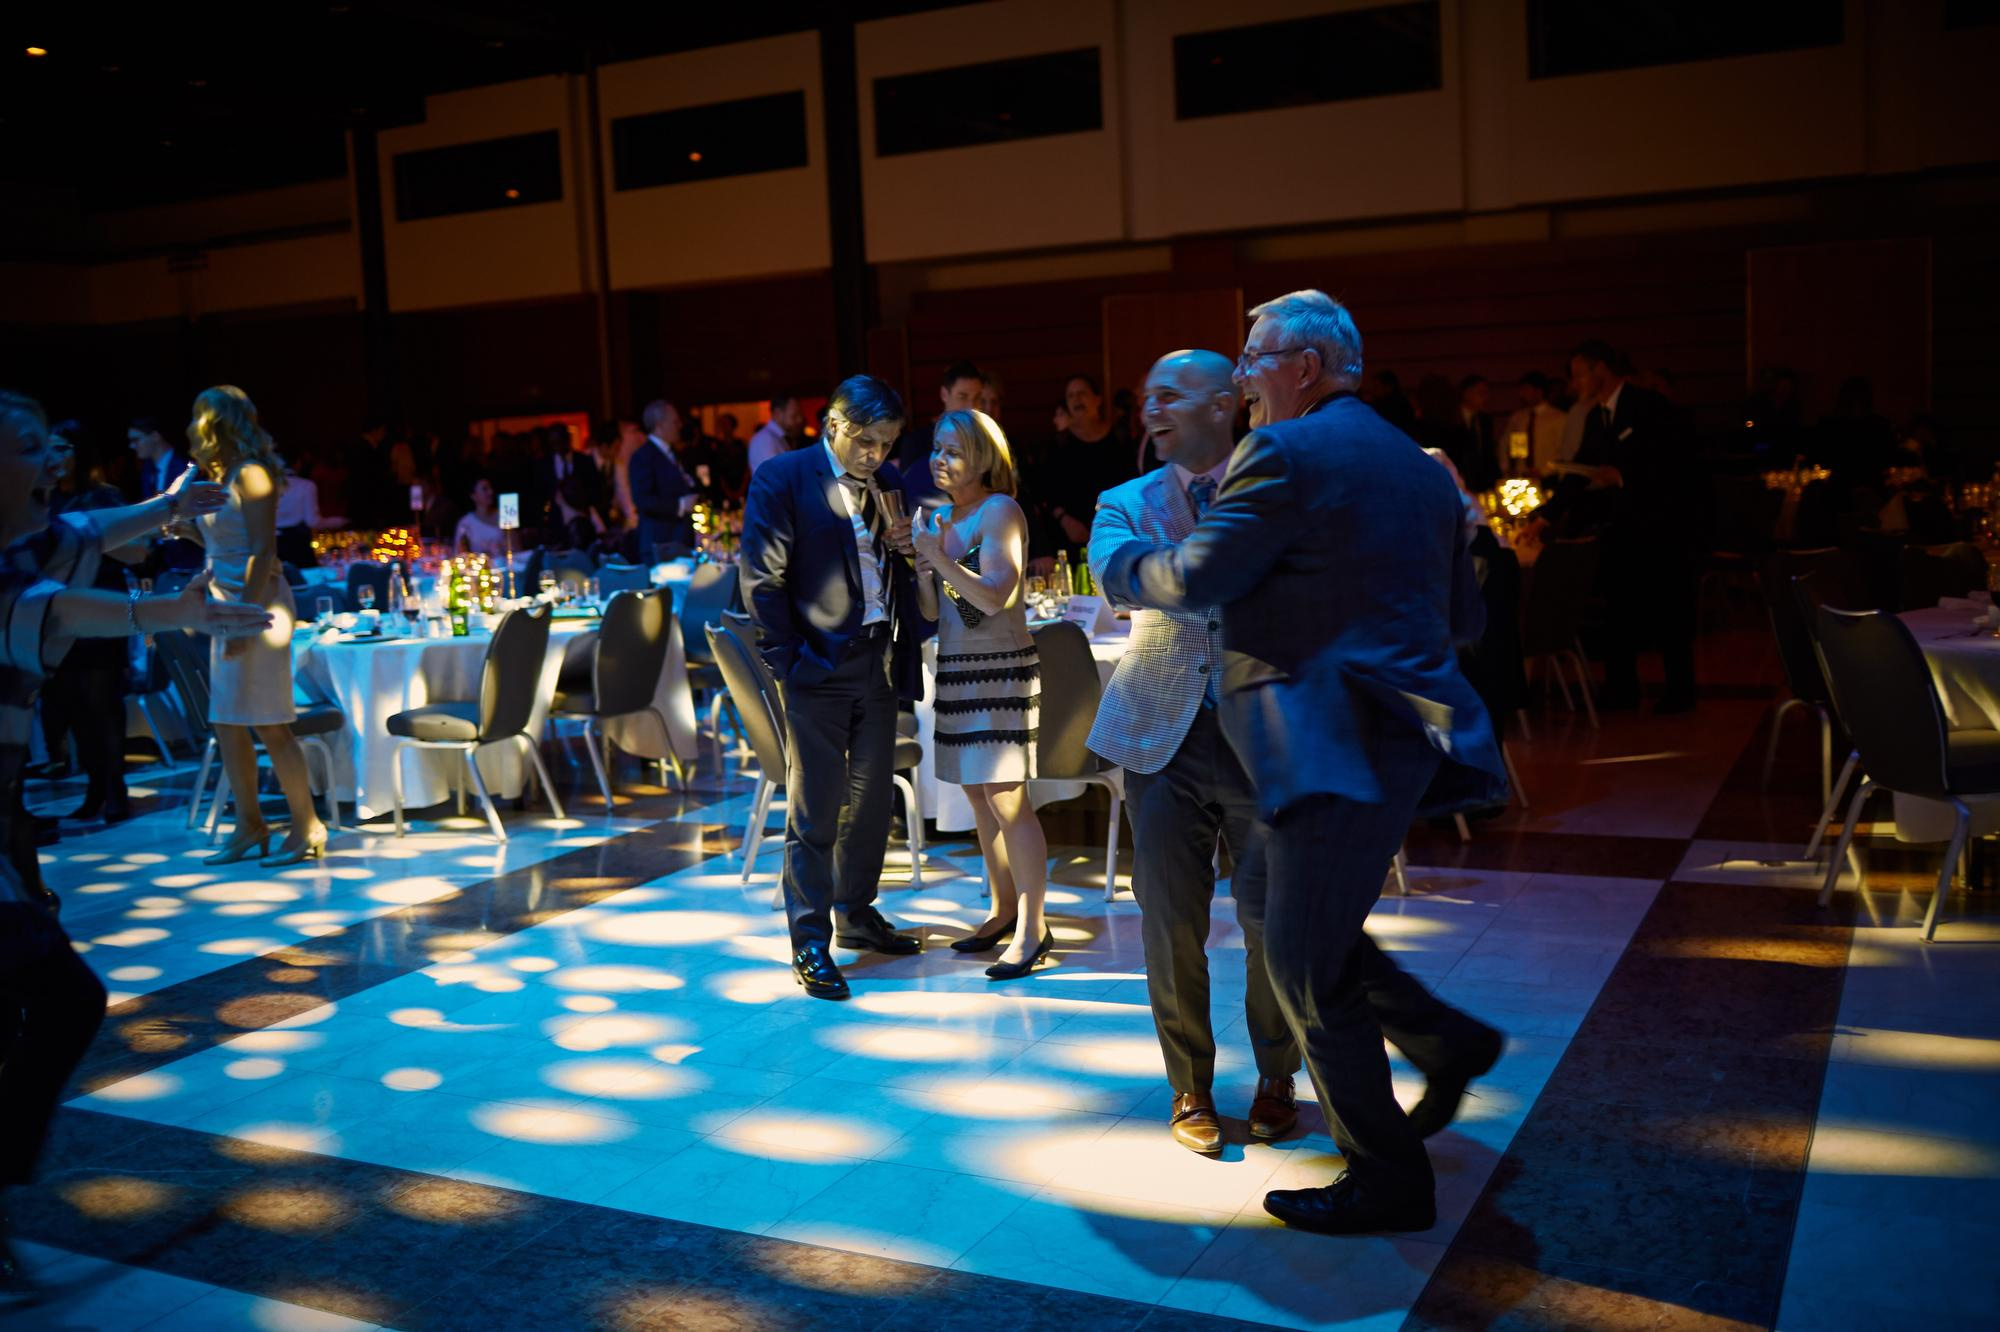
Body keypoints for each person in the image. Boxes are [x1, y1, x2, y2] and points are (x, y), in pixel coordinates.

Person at [1098, 292, 1507, 1236]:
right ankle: (1448, 1042)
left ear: (1304, 367)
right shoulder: (1418, 465)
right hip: (1400, 737)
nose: (1243, 378)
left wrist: (1121, 571)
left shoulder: (1285, 452)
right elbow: (1464, 618)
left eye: (1253, 359)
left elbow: (1197, 575)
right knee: (1307, 928)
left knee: (1302, 961)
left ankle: (1388, 1178)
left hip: (1323, 739)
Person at [0, 391, 269, 1296]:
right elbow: (60, 608)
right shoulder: (18, 574)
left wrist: (166, 513)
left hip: (4, 828)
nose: (51, 461)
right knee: (61, 998)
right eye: (30, 447)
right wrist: (166, 614)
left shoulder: (29, 541)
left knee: (54, 1001)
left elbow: (81, 538)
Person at [1089, 352, 1302, 1154]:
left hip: (1261, 735)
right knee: (1169, 923)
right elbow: (1121, 576)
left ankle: (1278, 1075)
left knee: (1271, 922)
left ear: (1226, 404)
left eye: (1171, 395)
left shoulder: (1277, 486)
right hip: (1157, 735)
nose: (1152, 407)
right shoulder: (1123, 501)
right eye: (1147, 396)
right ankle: (1190, 1089)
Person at [739, 375, 926, 1001]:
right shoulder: (784, 477)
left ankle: (856, 910)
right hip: (816, 665)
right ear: (834, 424)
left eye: (888, 445)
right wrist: (786, 661)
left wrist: (909, 551)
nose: (876, 455)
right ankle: (809, 939)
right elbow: (762, 578)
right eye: (867, 441)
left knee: (872, 801)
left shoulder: (891, 486)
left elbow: (899, 573)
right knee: (815, 808)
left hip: (878, 657)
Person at [909, 411, 1052, 981]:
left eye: (953, 450)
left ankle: (1033, 927)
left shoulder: (1001, 511)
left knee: (1008, 798)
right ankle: (1001, 909)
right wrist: (923, 568)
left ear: (985, 457)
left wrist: (939, 556)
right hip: (957, 665)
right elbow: (932, 611)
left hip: (1000, 667)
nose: (939, 459)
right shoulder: (942, 516)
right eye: (936, 448)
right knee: (978, 797)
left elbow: (995, 595)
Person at [181, 386, 329, 867]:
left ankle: (307, 826)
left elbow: (263, 552)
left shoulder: (254, 474)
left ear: (213, 424)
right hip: (226, 606)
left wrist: (243, 619)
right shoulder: (220, 477)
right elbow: (223, 541)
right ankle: (249, 824)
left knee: (270, 723)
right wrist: (179, 523)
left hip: (257, 607)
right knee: (227, 722)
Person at [1564, 339, 1697, 714]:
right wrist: (1545, 516)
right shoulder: (1597, 416)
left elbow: (1674, 464)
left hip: (1661, 527)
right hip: (1620, 529)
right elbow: (1580, 468)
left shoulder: (1649, 406)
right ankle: (1622, 690)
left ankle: (1679, 693)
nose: (1575, 384)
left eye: (1579, 374)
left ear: (1601, 370)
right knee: (1619, 612)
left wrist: (1623, 476)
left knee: (1668, 613)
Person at [41, 423, 143, 824]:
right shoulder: (43, 500)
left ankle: (116, 792)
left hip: (102, 609)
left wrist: (89, 542)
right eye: (49, 449)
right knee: (72, 706)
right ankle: (94, 789)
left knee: (102, 703)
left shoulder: (104, 496)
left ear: (80, 453)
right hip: (60, 614)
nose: (55, 457)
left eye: (63, 448)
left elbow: (138, 553)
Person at [896, 360, 984, 510]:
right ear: (944, 394)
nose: (971, 406)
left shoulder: (984, 442)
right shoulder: (917, 442)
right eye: (962, 397)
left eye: (977, 398)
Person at [128, 416, 202, 572]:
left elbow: (191, 519)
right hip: (164, 562)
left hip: (190, 559)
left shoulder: (185, 469)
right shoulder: (147, 471)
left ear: (155, 436)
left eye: (137, 439)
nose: (132, 446)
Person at [630, 399, 699, 560]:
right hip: (660, 541)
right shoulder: (644, 456)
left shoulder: (673, 453)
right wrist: (680, 505)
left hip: (678, 539)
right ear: (660, 425)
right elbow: (642, 499)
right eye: (675, 422)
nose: (679, 426)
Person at [273, 457, 343, 568]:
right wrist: (337, 522)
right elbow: (313, 521)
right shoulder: (306, 485)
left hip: (272, 542)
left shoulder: (266, 485)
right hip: (298, 544)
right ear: (298, 463)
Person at [1505, 372, 1567, 475]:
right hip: (1522, 475)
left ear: (1539, 391)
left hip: (1549, 475)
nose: (1522, 394)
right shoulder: (1518, 418)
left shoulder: (1558, 418)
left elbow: (1562, 451)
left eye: (1526, 390)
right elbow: (1507, 445)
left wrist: (1545, 471)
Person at [747, 395, 806, 476]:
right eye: (794, 416)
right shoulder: (765, 440)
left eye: (800, 415)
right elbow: (775, 478)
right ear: (777, 414)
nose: (800, 420)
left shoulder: (779, 438)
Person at [453, 477, 510, 558]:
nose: (491, 492)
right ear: (473, 496)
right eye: (485, 489)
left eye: (490, 488)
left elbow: (516, 549)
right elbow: (459, 555)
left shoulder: (504, 515)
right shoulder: (465, 523)